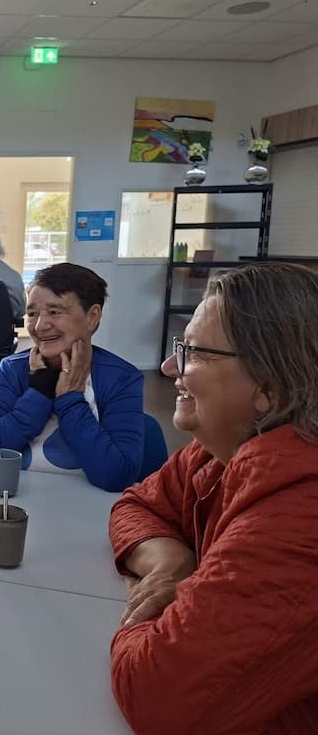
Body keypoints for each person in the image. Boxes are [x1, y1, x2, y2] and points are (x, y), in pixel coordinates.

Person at [108, 263, 318, 733]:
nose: (168, 367)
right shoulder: (215, 453)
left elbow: (156, 693)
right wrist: (172, 565)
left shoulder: (298, 520)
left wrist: (158, 611)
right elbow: (137, 504)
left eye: (194, 353)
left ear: (269, 385)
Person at [0, 263, 143, 492]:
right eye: (32, 314)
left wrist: (70, 400)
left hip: (90, 515)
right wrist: (39, 393)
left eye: (55, 312)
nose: (40, 325)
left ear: (92, 317)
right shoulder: (12, 370)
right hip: (16, 506)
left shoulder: (121, 378)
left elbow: (117, 476)